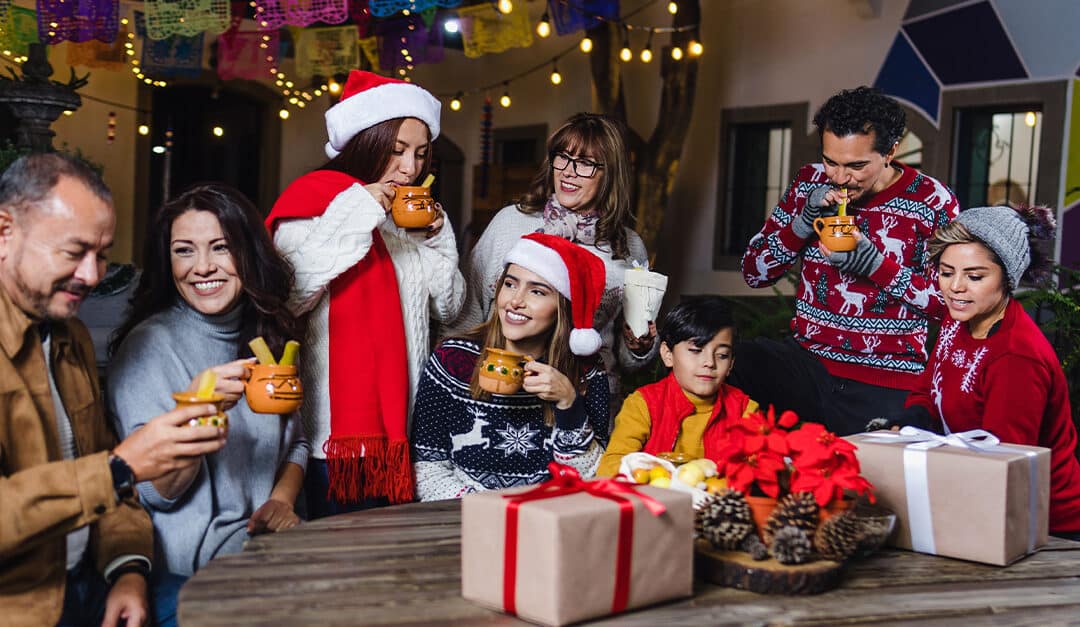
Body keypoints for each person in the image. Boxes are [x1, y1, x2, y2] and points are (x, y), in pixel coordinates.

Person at [0, 153, 225, 627]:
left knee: (226, 609)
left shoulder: (70, 336)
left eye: (101, 254)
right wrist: (121, 467)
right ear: (5, 232)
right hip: (21, 602)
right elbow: (111, 472)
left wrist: (128, 571)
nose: (93, 274)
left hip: (91, 579)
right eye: (73, 251)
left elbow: (109, 484)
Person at [107, 184, 310, 626]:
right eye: (184, 251)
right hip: (191, 571)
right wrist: (200, 405)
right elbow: (158, 494)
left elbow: (295, 441)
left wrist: (281, 500)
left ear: (249, 253)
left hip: (268, 555)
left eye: (221, 248)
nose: (202, 267)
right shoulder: (148, 348)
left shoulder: (268, 335)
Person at [266, 70, 464, 516]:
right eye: (396, 152)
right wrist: (357, 212)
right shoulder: (310, 207)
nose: (410, 168)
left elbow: (451, 308)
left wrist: (436, 239)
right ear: (364, 144)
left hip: (408, 437)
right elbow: (286, 300)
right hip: (331, 443)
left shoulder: (415, 217)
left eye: (419, 154)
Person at [733, 86, 960, 435]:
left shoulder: (933, 201)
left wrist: (875, 266)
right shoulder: (809, 181)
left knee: (874, 484)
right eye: (831, 161)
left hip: (886, 380)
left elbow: (949, 305)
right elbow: (754, 272)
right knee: (729, 362)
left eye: (856, 165)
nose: (839, 178)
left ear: (891, 152)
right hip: (805, 365)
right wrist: (802, 222)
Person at [891, 204, 1080, 538]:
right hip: (973, 491)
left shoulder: (1016, 358)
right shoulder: (959, 317)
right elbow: (927, 390)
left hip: (1047, 526)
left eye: (975, 276)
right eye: (947, 272)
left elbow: (1003, 462)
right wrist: (912, 425)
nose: (955, 287)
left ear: (1007, 278)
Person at [452, 113, 657, 413]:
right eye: (563, 157)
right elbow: (469, 314)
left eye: (585, 163)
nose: (569, 172)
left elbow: (628, 357)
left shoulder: (628, 247)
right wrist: (458, 384)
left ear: (610, 173)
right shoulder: (511, 223)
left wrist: (641, 346)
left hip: (588, 401)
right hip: (503, 393)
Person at [412, 233, 610, 499]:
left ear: (562, 307)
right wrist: (489, 510)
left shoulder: (586, 372)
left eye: (537, 291)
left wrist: (569, 404)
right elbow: (427, 470)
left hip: (549, 519)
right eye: (510, 284)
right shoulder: (452, 361)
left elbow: (594, 479)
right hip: (464, 518)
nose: (516, 300)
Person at [597, 296, 758, 476]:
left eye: (722, 355)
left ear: (731, 365)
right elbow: (610, 468)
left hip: (718, 501)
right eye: (696, 351)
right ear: (668, 354)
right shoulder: (643, 405)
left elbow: (763, 470)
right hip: (658, 500)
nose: (709, 363)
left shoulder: (745, 410)